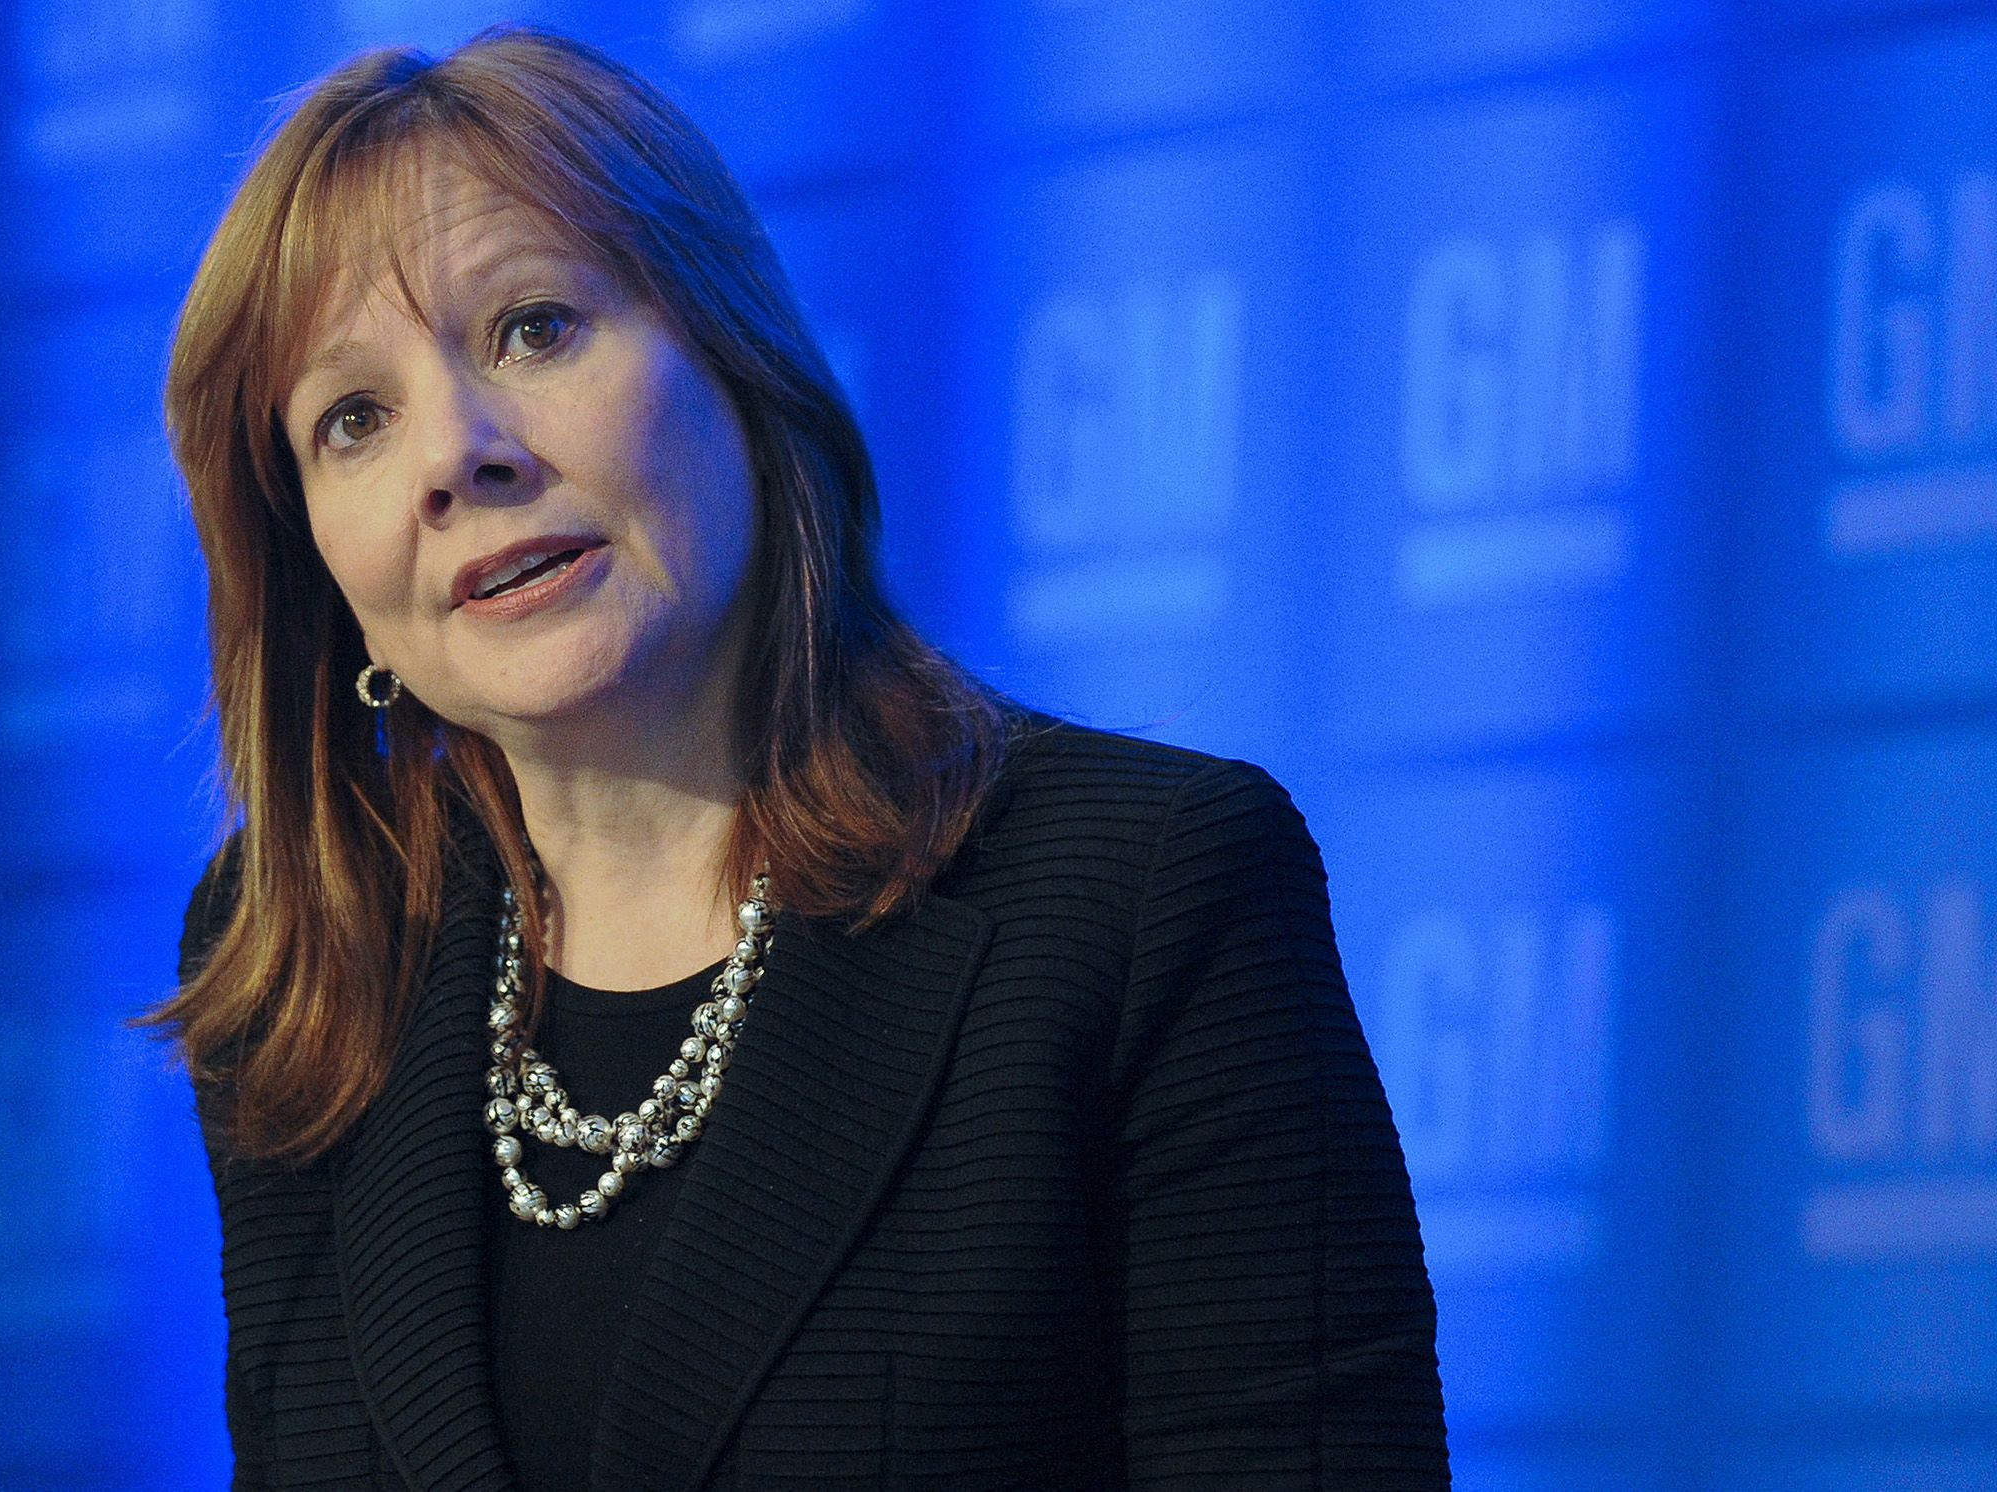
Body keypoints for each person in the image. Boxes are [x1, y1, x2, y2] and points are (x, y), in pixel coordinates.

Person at [155, 25, 1448, 1491]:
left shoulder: (1145, 900)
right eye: (354, 419)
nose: (456, 454)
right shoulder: (305, 958)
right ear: (316, 562)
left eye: (535, 327)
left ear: (734, 358)